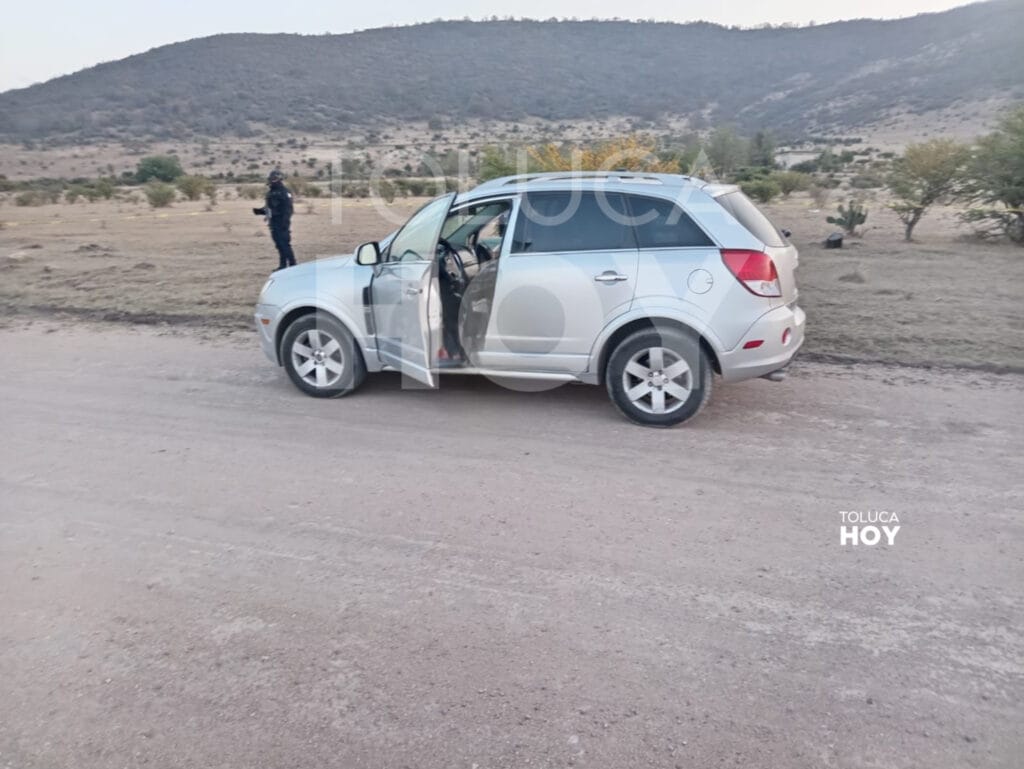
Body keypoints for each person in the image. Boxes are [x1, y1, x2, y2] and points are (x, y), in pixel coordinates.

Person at [252, 169, 296, 270]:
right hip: (273, 223)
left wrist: (284, 223)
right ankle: (283, 265)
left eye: (275, 178)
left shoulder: (284, 192)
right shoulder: (271, 192)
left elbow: (288, 209)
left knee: (285, 244)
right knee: (279, 245)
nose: (272, 180)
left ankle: (293, 265)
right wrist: (260, 211)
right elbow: (269, 208)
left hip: (282, 222)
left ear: (280, 179)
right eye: (271, 178)